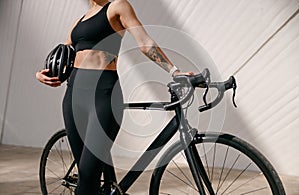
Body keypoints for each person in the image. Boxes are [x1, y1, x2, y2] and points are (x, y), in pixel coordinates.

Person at [36, 0, 193, 194]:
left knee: (87, 179)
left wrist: (174, 71)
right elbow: (62, 54)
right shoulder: (79, 21)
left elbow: (144, 43)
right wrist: (42, 74)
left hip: (103, 96)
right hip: (73, 97)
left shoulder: (117, 6)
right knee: (87, 177)